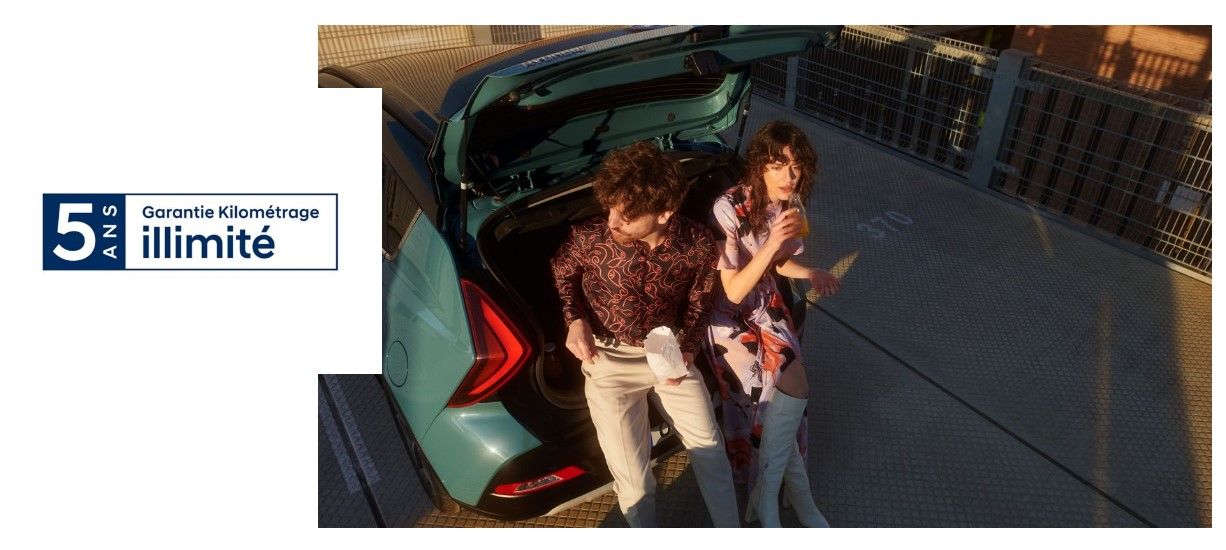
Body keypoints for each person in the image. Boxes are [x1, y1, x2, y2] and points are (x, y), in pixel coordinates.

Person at [551, 141, 739, 528]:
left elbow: (701, 300)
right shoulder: (589, 237)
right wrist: (574, 318)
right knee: (634, 481)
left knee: (710, 449)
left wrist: (688, 350)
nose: (612, 222)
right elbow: (563, 271)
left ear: (665, 212)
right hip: (607, 360)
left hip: (667, 348)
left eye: (627, 215)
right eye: (610, 208)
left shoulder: (697, 243)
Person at [705, 121, 840, 528]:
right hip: (728, 318)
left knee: (792, 390)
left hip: (767, 304)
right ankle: (793, 502)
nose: (789, 176)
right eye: (778, 165)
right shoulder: (727, 207)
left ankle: (769, 500)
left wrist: (811, 272)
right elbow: (732, 291)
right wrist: (771, 244)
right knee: (768, 404)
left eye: (797, 166)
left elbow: (779, 264)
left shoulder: (790, 205)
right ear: (759, 165)